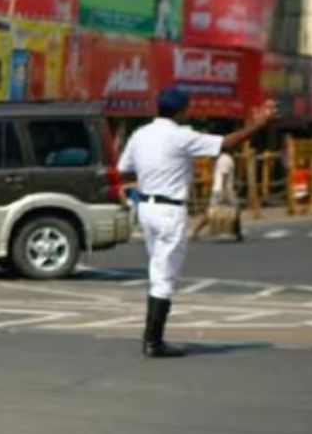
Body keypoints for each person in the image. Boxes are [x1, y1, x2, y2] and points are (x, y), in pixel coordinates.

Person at [118, 88, 276, 358]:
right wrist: (257, 125)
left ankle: (151, 338)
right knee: (164, 276)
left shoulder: (140, 134)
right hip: (170, 210)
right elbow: (226, 144)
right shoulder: (181, 136)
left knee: (157, 270)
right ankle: (153, 342)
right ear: (181, 111)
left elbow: (124, 167)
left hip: (145, 207)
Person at [190, 151, 242, 242]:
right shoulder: (224, 159)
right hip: (222, 190)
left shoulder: (224, 159)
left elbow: (225, 175)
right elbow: (224, 176)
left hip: (223, 189)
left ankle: (237, 232)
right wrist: (224, 192)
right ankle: (196, 231)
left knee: (235, 210)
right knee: (212, 213)